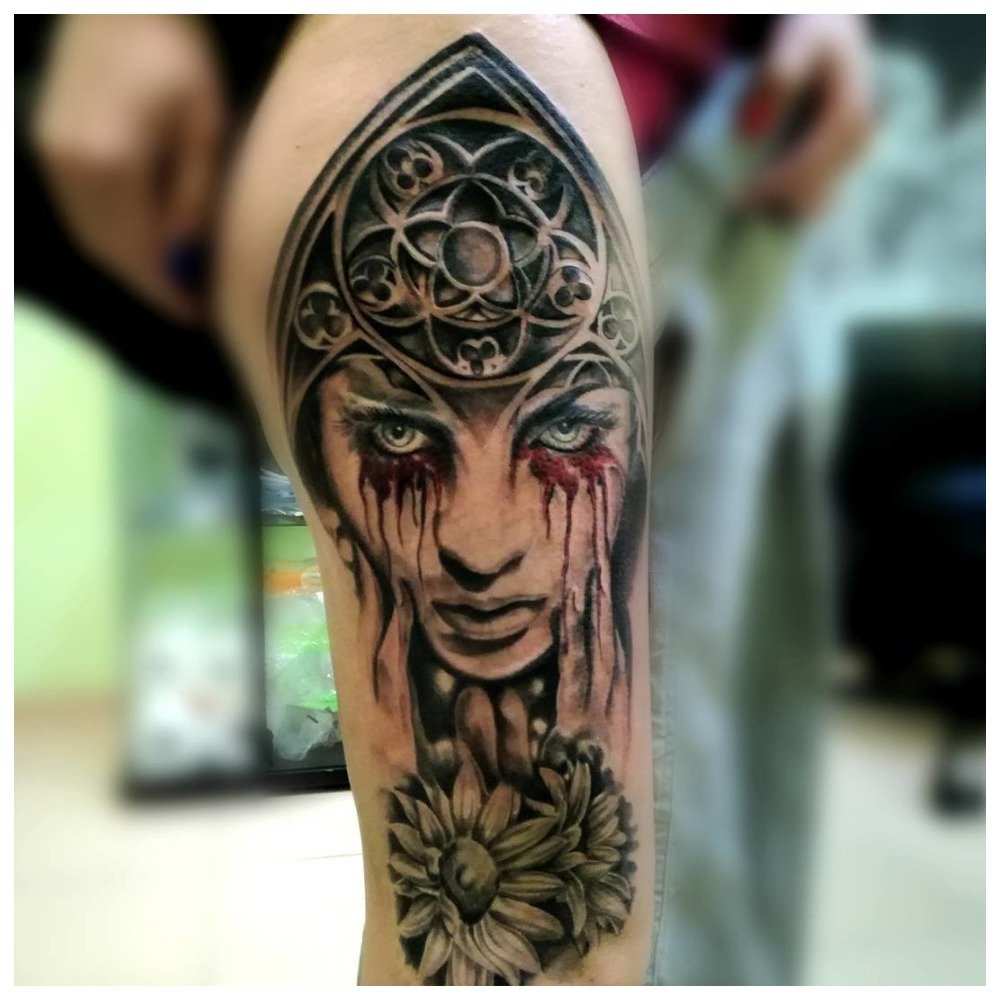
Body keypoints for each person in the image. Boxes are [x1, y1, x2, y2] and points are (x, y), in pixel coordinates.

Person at [20, 14, 872, 985]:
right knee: (536, 953)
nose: (479, 545)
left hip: (738, 160)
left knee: (718, 898)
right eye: (400, 438)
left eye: (556, 436)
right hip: (504, 75)